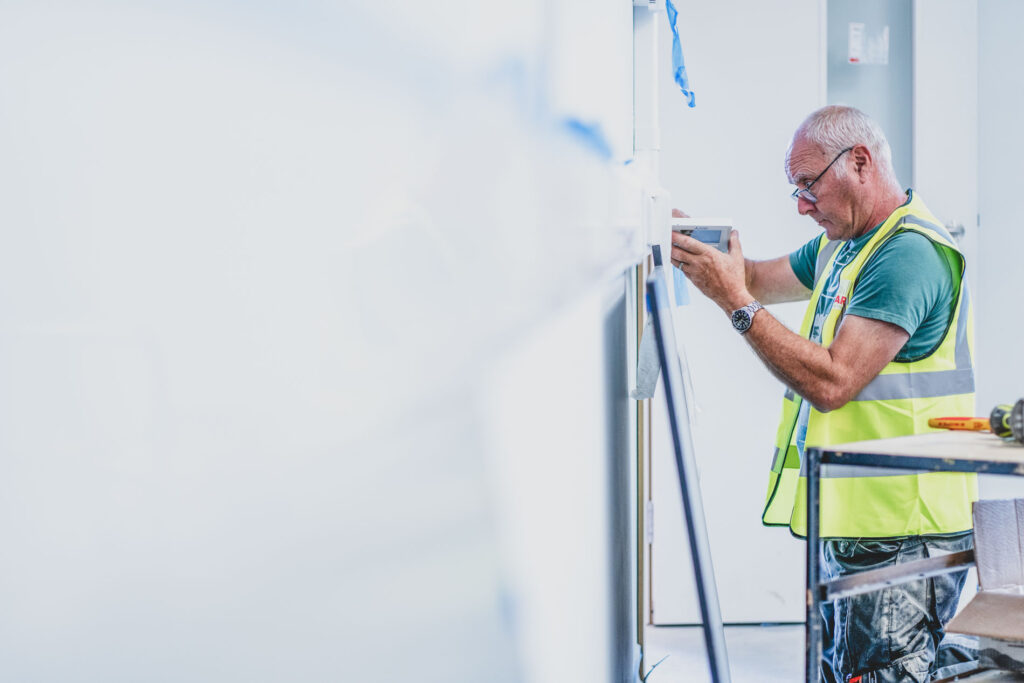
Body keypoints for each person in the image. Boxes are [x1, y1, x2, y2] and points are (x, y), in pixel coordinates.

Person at [671, 105, 977, 683]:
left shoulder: (906, 255)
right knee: (847, 672)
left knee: (884, 674)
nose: (800, 205)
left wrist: (736, 305)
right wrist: (694, 244)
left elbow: (834, 382)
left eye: (807, 185)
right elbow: (756, 279)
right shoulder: (847, 245)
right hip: (860, 523)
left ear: (859, 162)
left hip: (903, 529)